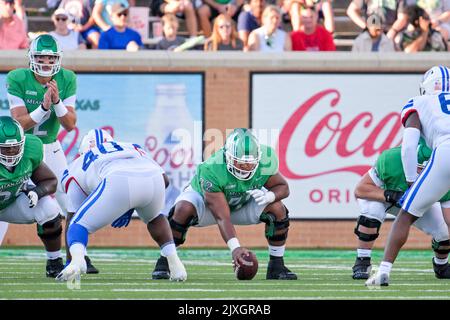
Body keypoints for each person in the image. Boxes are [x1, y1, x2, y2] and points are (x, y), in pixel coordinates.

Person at [6, 34, 98, 274]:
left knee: (72, 202)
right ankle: (55, 257)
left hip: (50, 147)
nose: (46, 62)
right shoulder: (17, 77)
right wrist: (43, 107)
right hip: (21, 149)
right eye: (41, 57)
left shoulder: (67, 78)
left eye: (50, 57)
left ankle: (77, 256)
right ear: (31, 58)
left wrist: (56, 102)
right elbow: (19, 125)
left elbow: (69, 124)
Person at [151, 128, 297, 280]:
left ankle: (276, 266)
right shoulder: (212, 168)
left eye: (249, 164)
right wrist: (235, 248)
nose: (245, 168)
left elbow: (283, 187)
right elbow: (222, 217)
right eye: (239, 162)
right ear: (227, 156)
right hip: (207, 205)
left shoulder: (266, 159)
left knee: (277, 208)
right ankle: (165, 261)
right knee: (183, 209)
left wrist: (269, 196)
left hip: (242, 202)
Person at [56, 129, 187, 284]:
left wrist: (70, 258)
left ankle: (77, 262)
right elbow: (164, 180)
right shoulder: (132, 146)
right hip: (153, 179)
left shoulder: (80, 162)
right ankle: (175, 264)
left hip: (117, 180)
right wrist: (131, 204)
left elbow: (73, 214)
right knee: (155, 217)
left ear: (84, 150)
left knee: (77, 224)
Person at [366, 65, 450, 287]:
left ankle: (383, 271)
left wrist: (412, 181)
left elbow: (408, 147)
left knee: (405, 214)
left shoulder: (419, 102)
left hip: (446, 150)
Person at [352, 140, 450, 280]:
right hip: (383, 197)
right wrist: (390, 195)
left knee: (444, 232)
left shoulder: (444, 174)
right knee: (371, 212)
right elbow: (361, 190)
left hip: (415, 203)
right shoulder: (392, 160)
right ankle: (362, 261)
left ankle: (441, 265)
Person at [0, 116, 64, 278]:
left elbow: (50, 180)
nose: (11, 152)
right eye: (5, 149)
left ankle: (54, 262)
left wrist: (37, 191)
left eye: (15, 147)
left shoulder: (30, 149)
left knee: (49, 208)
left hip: (9, 204)